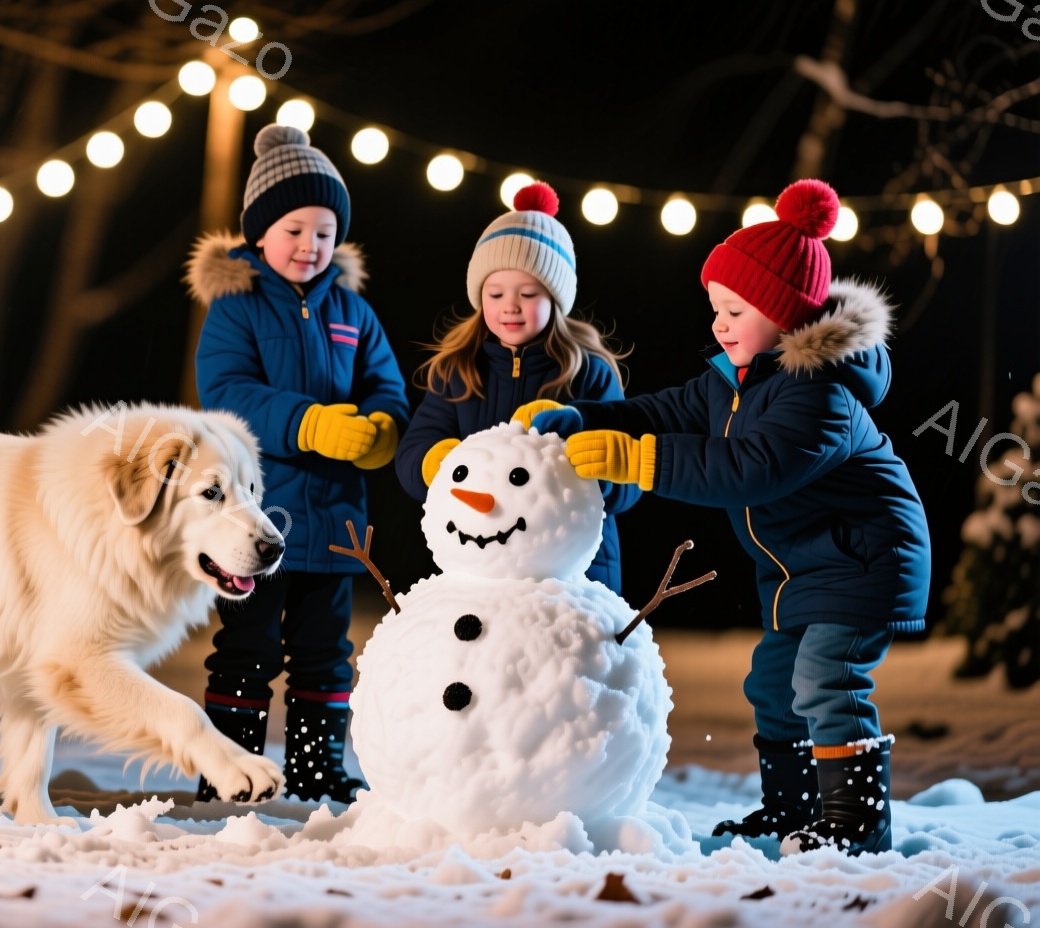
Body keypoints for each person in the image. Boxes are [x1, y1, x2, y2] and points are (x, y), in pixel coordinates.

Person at [522, 179, 929, 855]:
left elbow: (750, 467)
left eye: (736, 309)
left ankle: (855, 826)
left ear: (788, 316)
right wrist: (585, 420)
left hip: (864, 559)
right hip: (803, 567)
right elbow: (661, 412)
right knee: (774, 683)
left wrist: (639, 461)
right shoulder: (733, 380)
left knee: (827, 680)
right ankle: (793, 809)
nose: (720, 324)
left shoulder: (818, 393)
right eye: (716, 307)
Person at [187, 123, 409, 803]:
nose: (309, 245)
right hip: (258, 518)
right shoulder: (236, 309)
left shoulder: (354, 312)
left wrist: (381, 430)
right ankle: (232, 771)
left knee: (324, 651)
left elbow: (386, 387)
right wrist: (308, 422)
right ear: (259, 234)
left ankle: (317, 769)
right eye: (293, 230)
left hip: (336, 516)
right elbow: (228, 396)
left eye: (322, 231)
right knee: (247, 648)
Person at [395, 181, 638, 593]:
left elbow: (628, 478)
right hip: (478, 565)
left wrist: (599, 465)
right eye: (496, 292)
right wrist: (438, 463)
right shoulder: (458, 370)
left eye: (528, 293)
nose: (510, 305)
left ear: (556, 300)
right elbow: (413, 455)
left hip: (574, 573)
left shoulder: (589, 373)